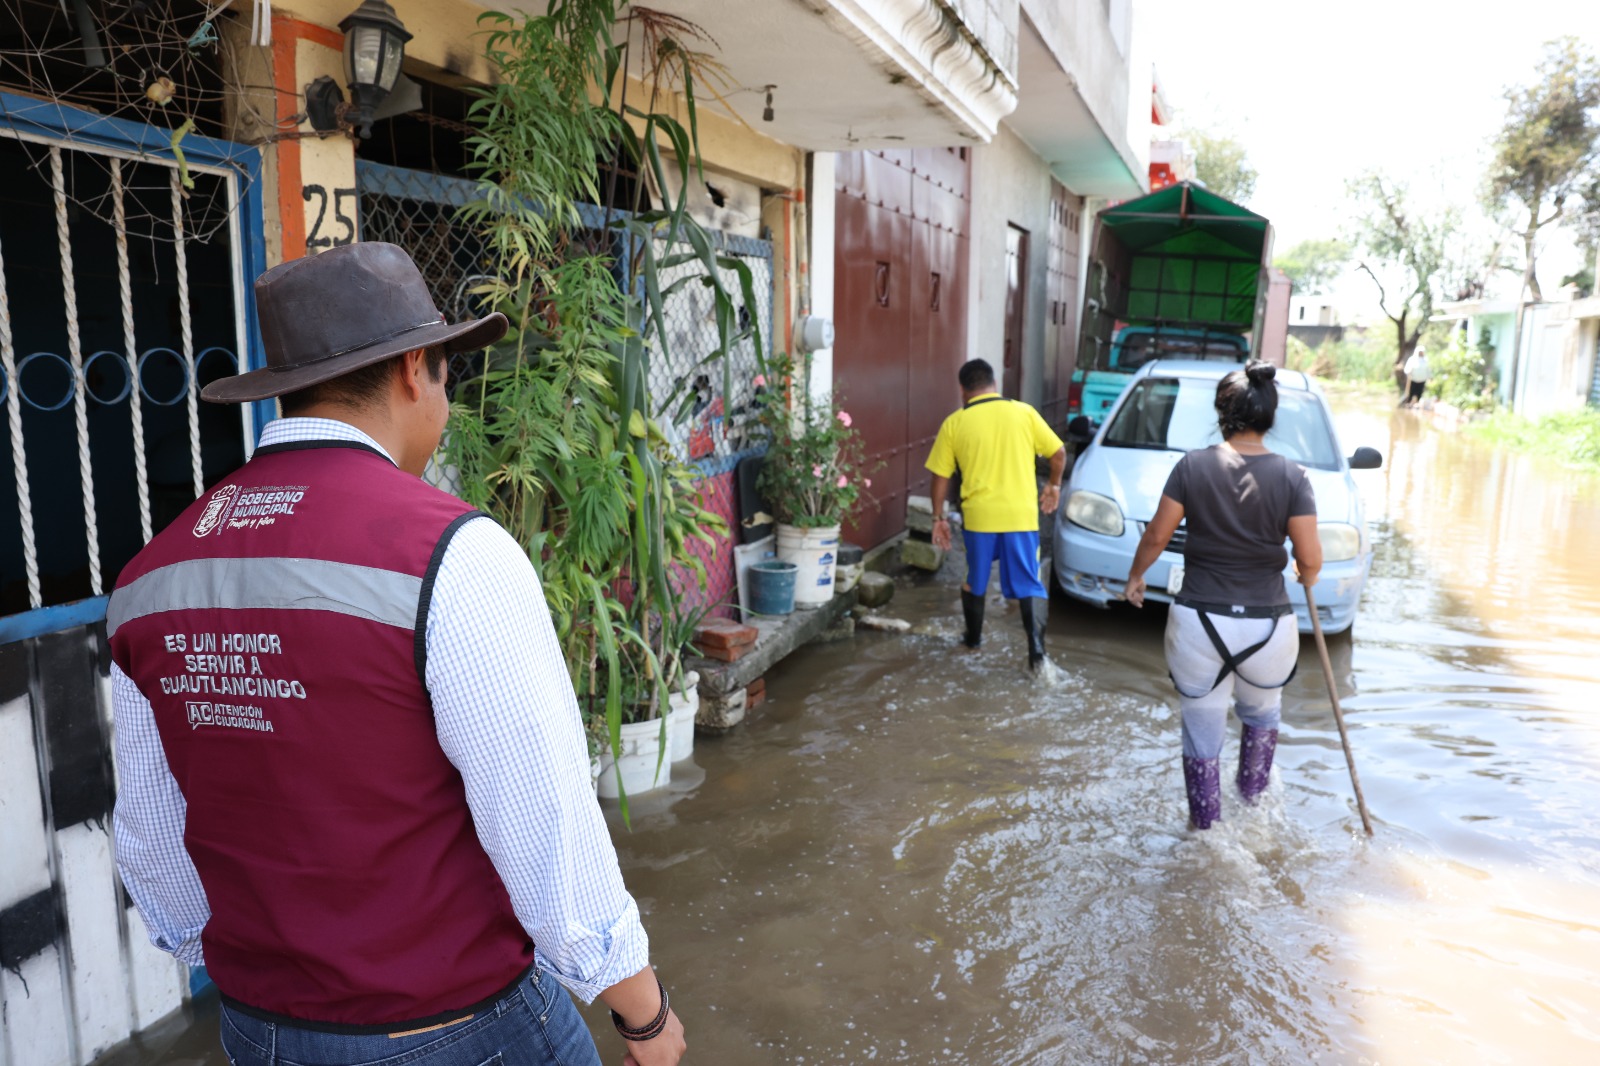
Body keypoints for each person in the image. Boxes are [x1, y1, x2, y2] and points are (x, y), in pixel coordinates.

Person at [107, 244, 685, 1066]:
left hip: (259, 1028)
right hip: (451, 1028)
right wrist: (641, 1009)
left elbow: (154, 848)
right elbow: (543, 817)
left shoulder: (151, 574)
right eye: (447, 376)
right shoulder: (452, 552)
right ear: (417, 369)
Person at [1122, 362, 1322, 830]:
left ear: (1221, 411)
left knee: (1202, 733)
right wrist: (1305, 572)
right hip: (1269, 627)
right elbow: (1310, 557)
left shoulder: (1192, 466)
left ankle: (1205, 833)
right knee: (1262, 716)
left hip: (1199, 624)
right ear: (1270, 417)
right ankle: (1253, 812)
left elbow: (1155, 535)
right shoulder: (1294, 477)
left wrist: (1136, 577)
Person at [926, 358, 1066, 671]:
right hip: (1021, 517)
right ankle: (1037, 655)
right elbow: (1058, 453)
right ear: (993, 384)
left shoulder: (955, 423)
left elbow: (939, 475)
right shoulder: (1024, 413)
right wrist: (1054, 486)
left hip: (979, 519)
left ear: (963, 390)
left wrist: (938, 519)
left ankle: (973, 643)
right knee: (1030, 583)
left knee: (973, 580)